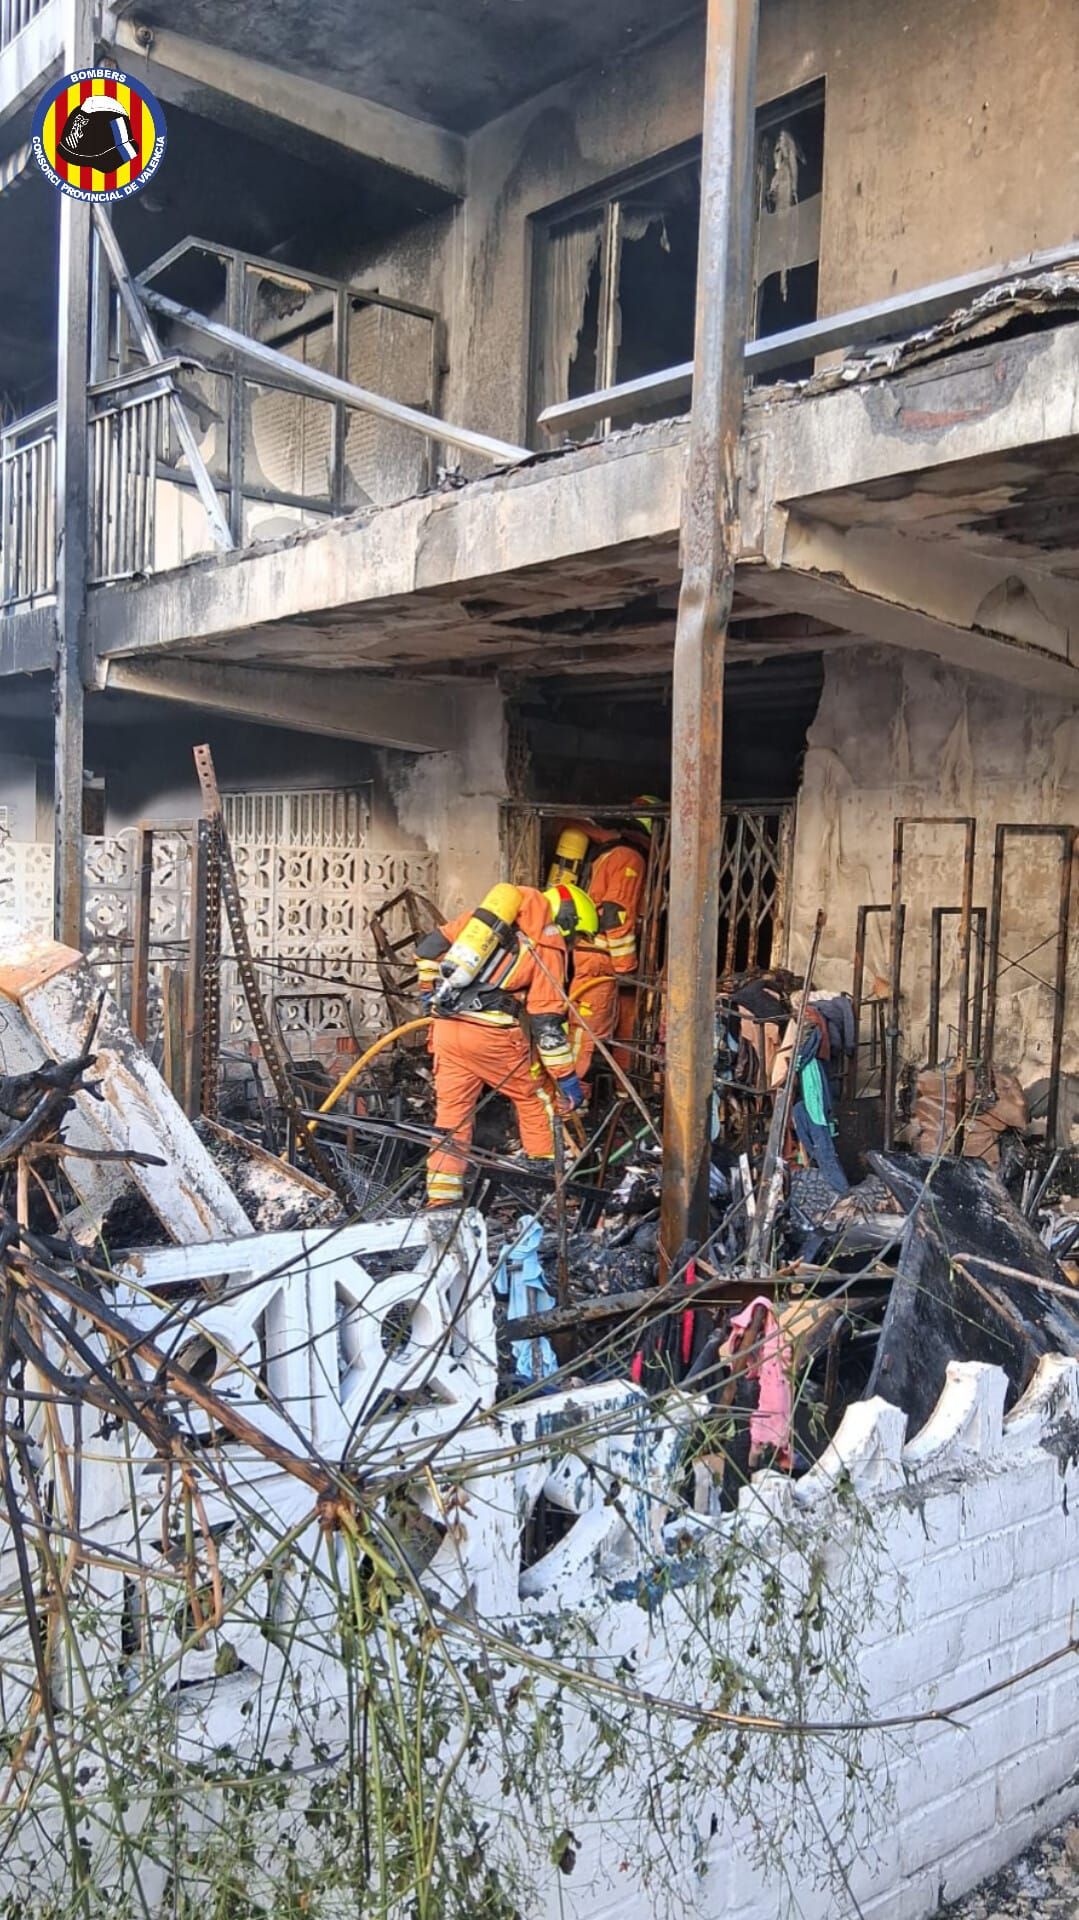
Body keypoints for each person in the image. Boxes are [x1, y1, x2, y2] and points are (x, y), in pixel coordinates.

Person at [416, 882, 598, 1209]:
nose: (572, 943)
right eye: (576, 935)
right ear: (568, 920)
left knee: (452, 1116)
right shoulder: (548, 943)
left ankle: (441, 1200)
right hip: (491, 1037)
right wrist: (566, 1078)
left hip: (445, 1029)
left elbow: (428, 948)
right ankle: (548, 1189)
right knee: (535, 1097)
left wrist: (427, 991)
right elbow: (546, 1023)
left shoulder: (483, 923)